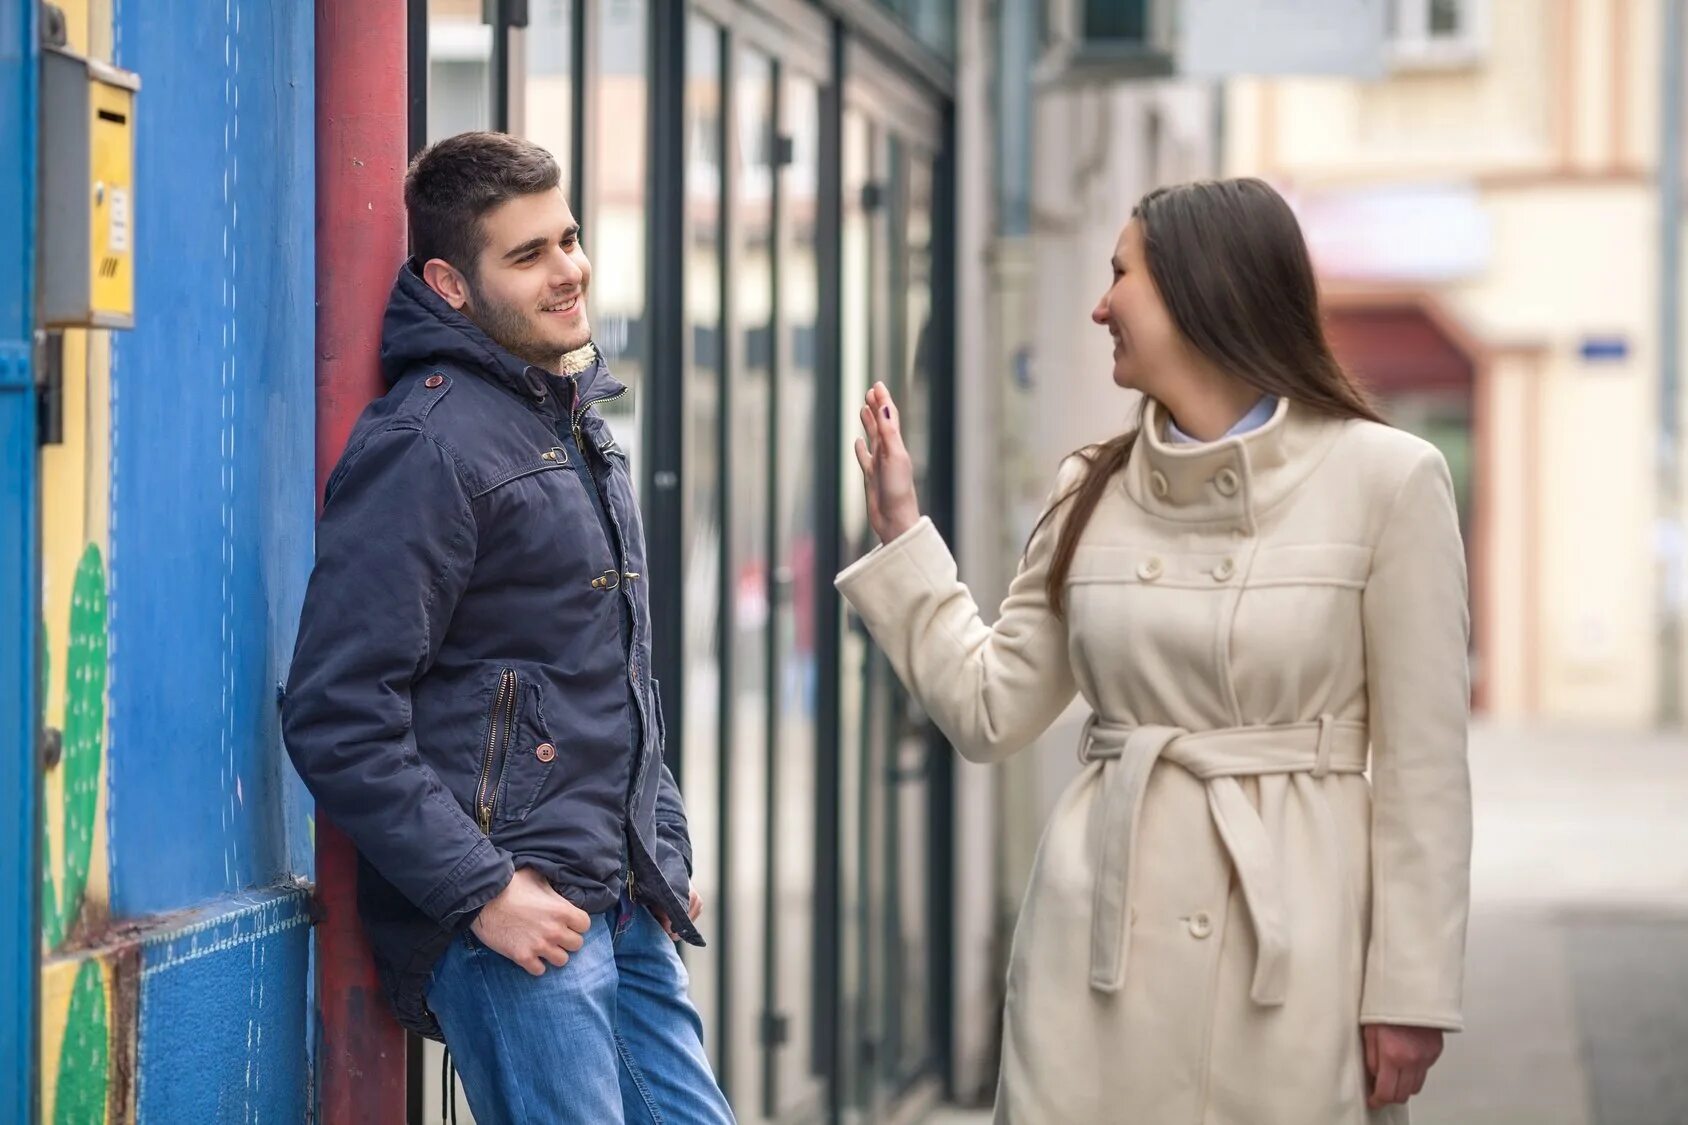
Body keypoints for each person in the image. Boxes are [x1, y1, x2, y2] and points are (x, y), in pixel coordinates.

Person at [839, 177, 1470, 1124]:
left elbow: (1426, 768)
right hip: (1095, 956)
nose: (1100, 305)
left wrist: (1410, 991)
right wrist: (901, 529)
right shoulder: (1090, 486)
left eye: (1120, 275)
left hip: (1294, 952)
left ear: (1200, 290)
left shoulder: (1387, 480)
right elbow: (989, 707)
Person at [283, 130, 734, 1123]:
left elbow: (616, 675)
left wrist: (662, 853)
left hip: (619, 904)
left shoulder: (571, 423)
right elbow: (335, 712)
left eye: (567, 239)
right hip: (511, 926)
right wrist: (483, 891)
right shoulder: (425, 445)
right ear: (449, 283)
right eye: (527, 255)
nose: (567, 270)